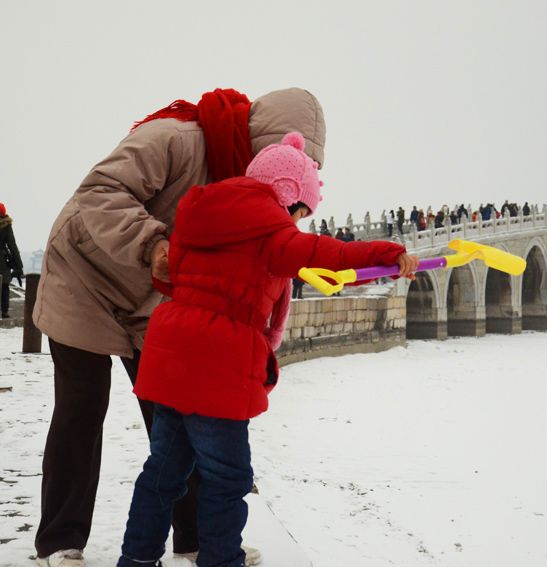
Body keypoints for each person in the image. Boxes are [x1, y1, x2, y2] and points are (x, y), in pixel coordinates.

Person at [32, 87, 326, 567]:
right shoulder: (173, 138)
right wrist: (154, 244)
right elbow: (99, 191)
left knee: (184, 409)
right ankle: (60, 541)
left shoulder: (251, 187)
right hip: (83, 275)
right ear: (261, 140)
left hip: (154, 294)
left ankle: (193, 540)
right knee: (81, 408)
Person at [117, 132, 418, 567]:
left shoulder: (200, 216)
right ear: (290, 196)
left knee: (163, 471)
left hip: (169, 359)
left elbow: (171, 276)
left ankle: (136, 560)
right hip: (216, 366)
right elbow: (329, 255)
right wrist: (391, 253)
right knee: (227, 476)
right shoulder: (272, 234)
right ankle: (222, 561)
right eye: (300, 212)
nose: (297, 222)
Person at [0, 202, 24, 318]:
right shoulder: (5, 225)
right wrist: (19, 266)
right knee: (4, 285)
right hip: (2, 261)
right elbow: (12, 246)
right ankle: (4, 311)